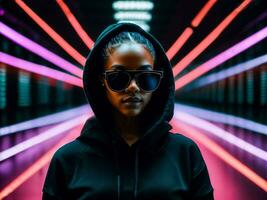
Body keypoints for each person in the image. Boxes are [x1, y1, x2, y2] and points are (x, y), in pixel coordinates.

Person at [42, 22, 214, 200]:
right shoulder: (67, 161)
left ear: (159, 80)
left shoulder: (185, 154)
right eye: (118, 77)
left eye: (146, 77)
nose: (133, 87)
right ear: (102, 80)